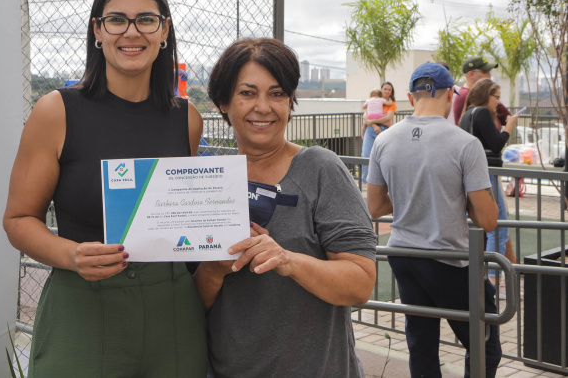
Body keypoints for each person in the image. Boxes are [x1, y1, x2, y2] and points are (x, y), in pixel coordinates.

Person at [3, 0, 207, 377]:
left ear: (164, 30)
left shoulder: (188, 119)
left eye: (146, 19)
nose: (131, 32)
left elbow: (187, 219)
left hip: (173, 309)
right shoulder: (56, 111)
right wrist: (71, 255)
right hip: (83, 303)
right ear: (97, 30)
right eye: (117, 19)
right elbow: (18, 220)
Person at [196, 38, 377, 378]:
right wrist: (214, 269)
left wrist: (287, 260)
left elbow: (361, 283)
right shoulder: (209, 181)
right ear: (223, 102)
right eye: (247, 93)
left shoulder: (321, 168)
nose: (263, 107)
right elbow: (194, 304)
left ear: (291, 101)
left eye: (277, 94)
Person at [367, 62, 502, 377]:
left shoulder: (385, 140)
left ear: (412, 98)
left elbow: (374, 207)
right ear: (449, 95)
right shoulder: (465, 144)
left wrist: (409, 196)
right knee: (486, 346)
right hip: (448, 258)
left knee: (422, 345)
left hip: (402, 254)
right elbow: (487, 219)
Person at [458, 78, 518, 279]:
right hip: (486, 173)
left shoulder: (467, 114)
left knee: (479, 226)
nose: (498, 103)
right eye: (496, 98)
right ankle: (494, 277)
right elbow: (496, 143)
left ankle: (484, 276)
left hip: (472, 174)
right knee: (497, 225)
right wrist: (509, 126)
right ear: (486, 96)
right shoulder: (481, 113)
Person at [453, 56, 511, 127]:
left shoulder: (475, 93)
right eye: (485, 72)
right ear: (471, 74)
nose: (489, 75)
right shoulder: (468, 95)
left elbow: (506, 117)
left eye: (489, 72)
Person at [361, 81, 396, 183]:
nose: (387, 91)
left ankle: (383, 181)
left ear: (391, 92)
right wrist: (374, 125)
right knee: (366, 154)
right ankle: (364, 181)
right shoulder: (372, 100)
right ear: (381, 90)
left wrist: (371, 121)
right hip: (371, 129)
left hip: (385, 130)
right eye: (385, 89)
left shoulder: (391, 103)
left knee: (385, 156)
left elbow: (388, 118)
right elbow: (365, 115)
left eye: (389, 89)